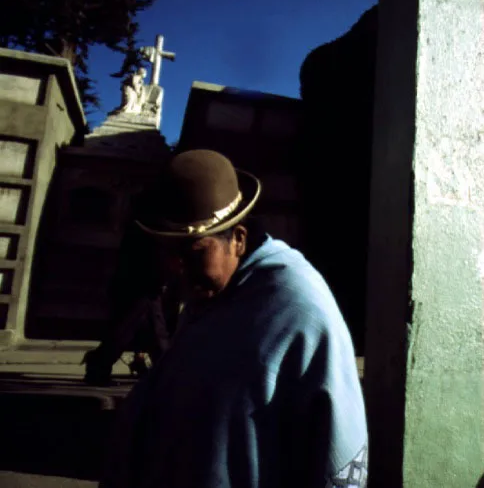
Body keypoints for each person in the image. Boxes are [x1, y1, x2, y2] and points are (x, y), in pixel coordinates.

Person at [101, 149, 367, 488]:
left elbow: (338, 446)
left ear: (238, 239)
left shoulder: (300, 309)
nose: (175, 269)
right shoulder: (211, 296)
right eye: (167, 251)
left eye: (193, 252)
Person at [82, 197, 175, 386]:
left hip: (141, 285)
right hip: (142, 286)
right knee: (132, 331)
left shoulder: (140, 225)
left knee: (146, 331)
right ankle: (99, 365)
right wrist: (160, 279)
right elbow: (152, 259)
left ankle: (163, 372)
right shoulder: (150, 228)